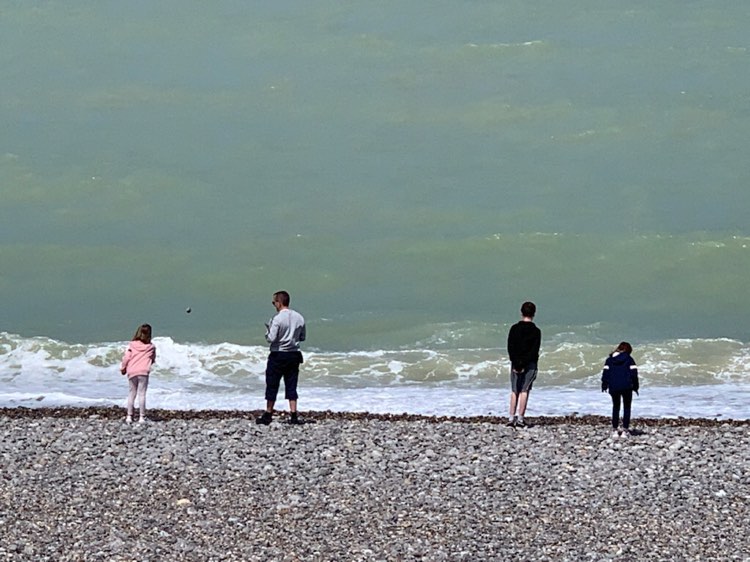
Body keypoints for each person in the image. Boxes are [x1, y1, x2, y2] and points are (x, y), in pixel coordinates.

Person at [257, 291, 306, 425]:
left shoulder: (277, 319)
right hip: (294, 354)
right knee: (291, 384)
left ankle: (268, 413)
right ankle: (294, 414)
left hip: (278, 354)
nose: (274, 305)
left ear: (279, 302)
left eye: (274, 302)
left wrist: (267, 331)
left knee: (272, 383)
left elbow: (271, 338)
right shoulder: (299, 317)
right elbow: (302, 337)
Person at [506, 301, 542, 428]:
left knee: (514, 390)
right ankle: (520, 418)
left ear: (521, 312)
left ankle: (511, 417)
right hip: (530, 363)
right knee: (524, 390)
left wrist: (516, 363)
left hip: (515, 363)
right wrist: (524, 363)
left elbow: (510, 347)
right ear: (534, 314)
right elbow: (534, 350)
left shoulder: (514, 329)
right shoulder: (536, 331)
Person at [601, 341, 639, 438]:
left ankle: (615, 430)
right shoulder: (629, 359)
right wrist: (635, 386)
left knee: (616, 407)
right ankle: (625, 430)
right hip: (626, 386)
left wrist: (604, 385)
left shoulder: (609, 360)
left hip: (614, 387)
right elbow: (634, 375)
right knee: (627, 407)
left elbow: (605, 374)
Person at [120, 323, 157, 424]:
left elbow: (127, 357)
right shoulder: (151, 347)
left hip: (132, 371)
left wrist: (123, 368)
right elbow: (153, 359)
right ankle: (141, 417)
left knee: (132, 393)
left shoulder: (132, 345)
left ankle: (129, 416)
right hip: (143, 371)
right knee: (142, 394)